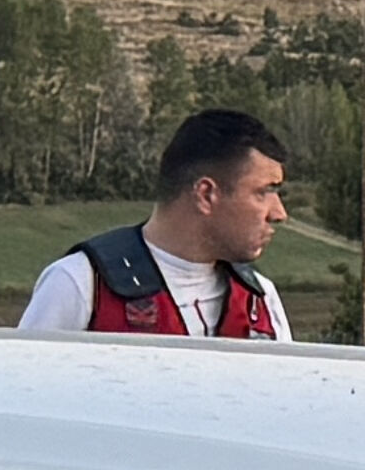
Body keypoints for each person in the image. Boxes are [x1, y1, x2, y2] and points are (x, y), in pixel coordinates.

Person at [18, 111, 294, 339]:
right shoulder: (80, 284)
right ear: (206, 195)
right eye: (264, 192)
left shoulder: (261, 299)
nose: (279, 213)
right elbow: (24, 395)